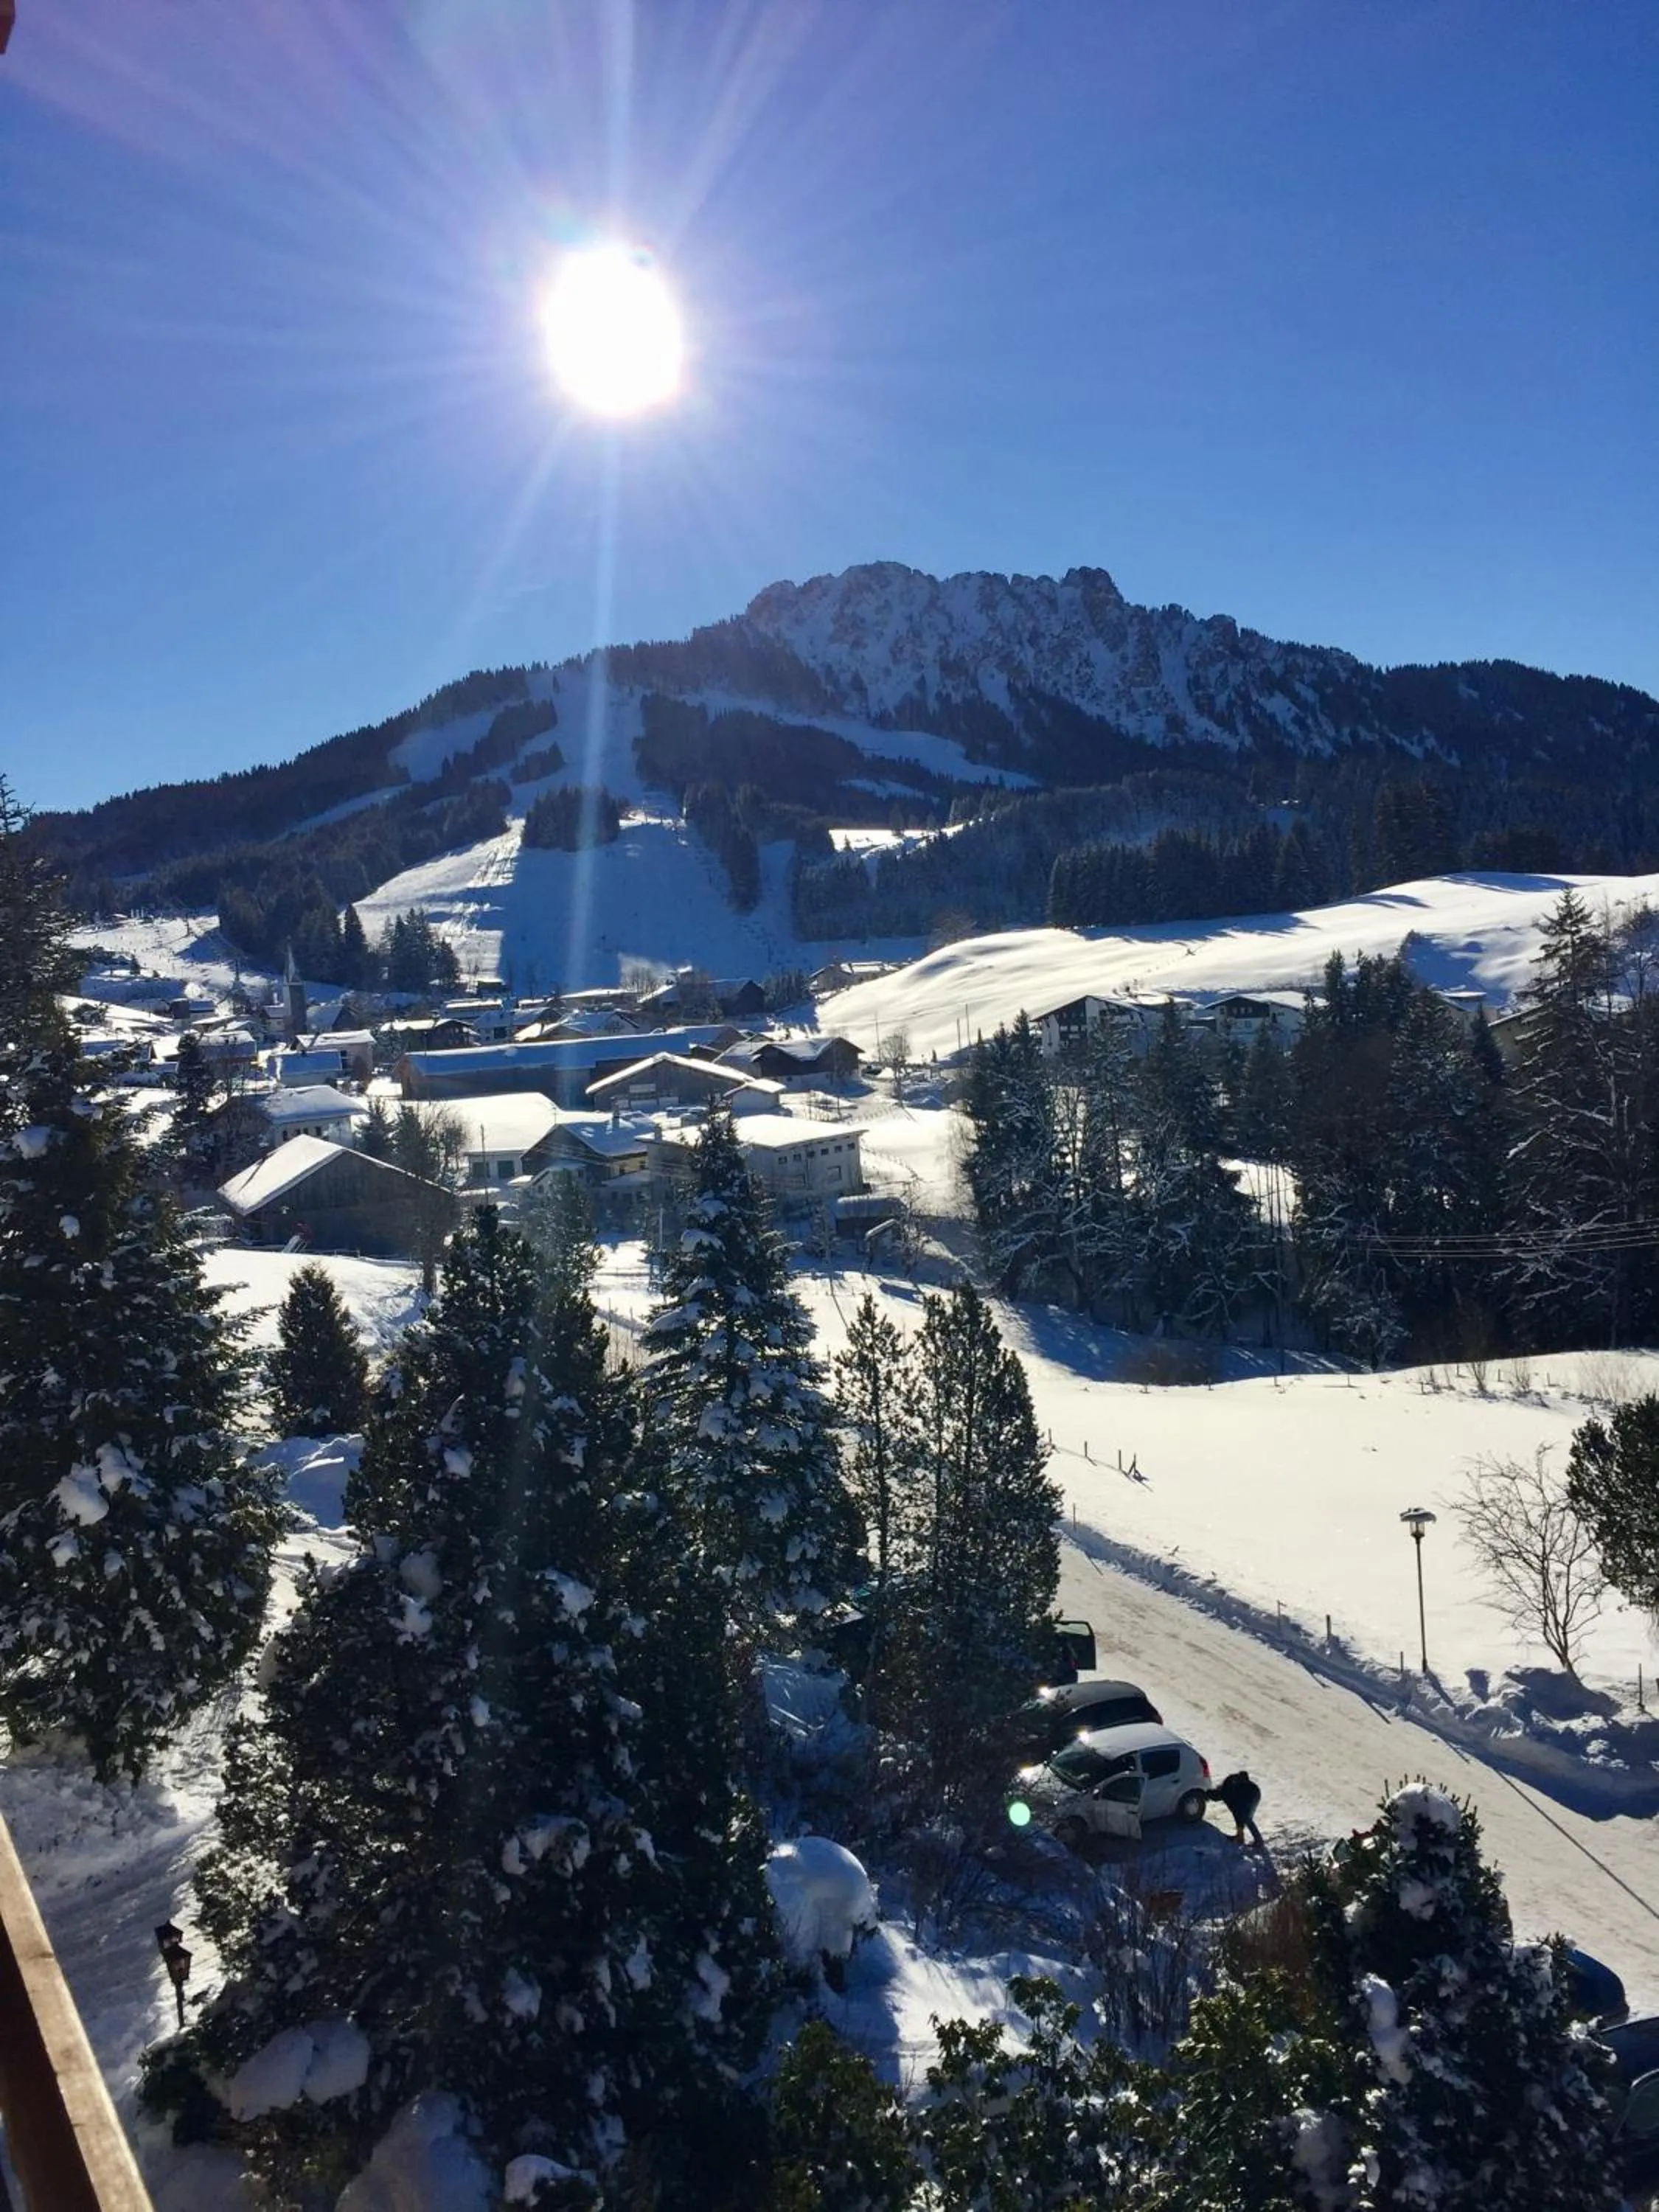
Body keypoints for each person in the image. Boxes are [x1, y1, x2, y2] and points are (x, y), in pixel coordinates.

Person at [1207, 1769, 1265, 1848]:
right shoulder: (1227, 1785)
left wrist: (1240, 1828)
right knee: (1245, 1816)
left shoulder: (1227, 1796)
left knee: (1246, 1817)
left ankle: (1258, 1841)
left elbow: (1236, 1813)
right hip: (1253, 1791)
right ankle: (1240, 1836)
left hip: (1251, 1795)